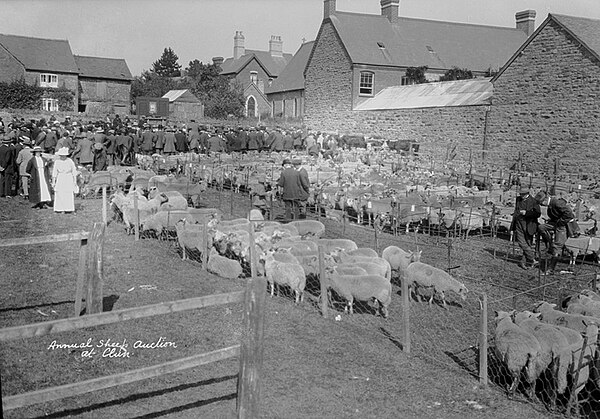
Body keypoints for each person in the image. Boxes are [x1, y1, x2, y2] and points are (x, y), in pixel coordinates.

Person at [536, 191, 577, 274]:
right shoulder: (551, 205)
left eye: (541, 203)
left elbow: (569, 213)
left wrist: (561, 221)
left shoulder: (557, 203)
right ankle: (550, 244)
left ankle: (551, 269)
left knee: (557, 246)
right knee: (541, 227)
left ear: (546, 199)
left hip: (563, 226)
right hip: (555, 223)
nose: (541, 205)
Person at [511, 188, 541, 270]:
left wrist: (527, 213)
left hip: (529, 225)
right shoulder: (518, 199)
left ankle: (524, 262)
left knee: (528, 243)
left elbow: (538, 214)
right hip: (519, 223)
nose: (521, 196)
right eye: (520, 194)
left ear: (527, 193)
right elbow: (516, 209)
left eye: (523, 194)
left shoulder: (534, 201)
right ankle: (532, 259)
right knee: (521, 242)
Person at [52, 147, 78, 213]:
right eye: (61, 156)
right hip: (60, 178)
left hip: (68, 178)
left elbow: (74, 171)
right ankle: (60, 209)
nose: (63, 157)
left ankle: (69, 208)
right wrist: (53, 182)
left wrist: (75, 180)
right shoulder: (57, 162)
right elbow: (54, 172)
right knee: (60, 193)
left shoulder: (70, 161)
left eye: (64, 156)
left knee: (68, 193)